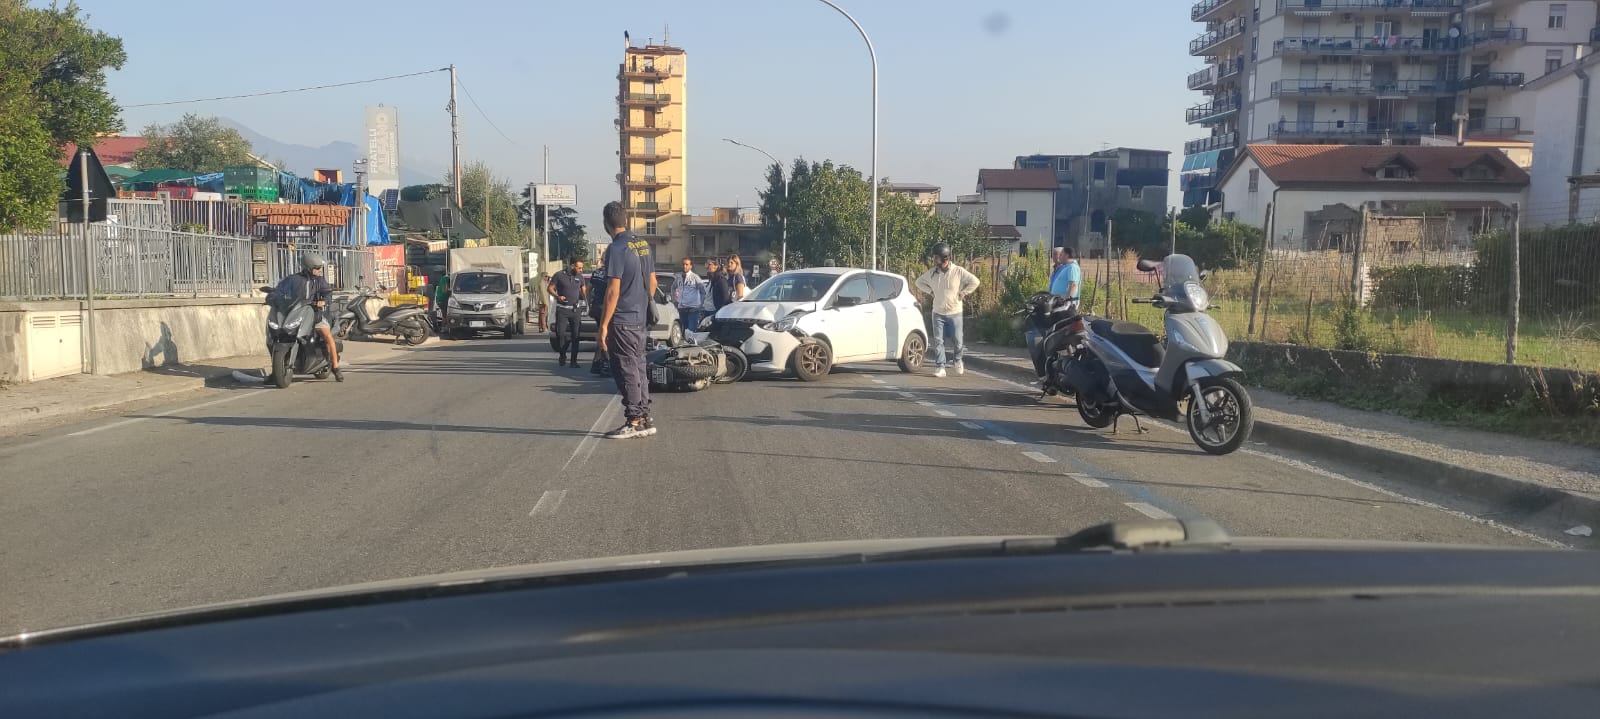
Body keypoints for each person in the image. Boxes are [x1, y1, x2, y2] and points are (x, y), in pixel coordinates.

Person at [597, 202, 656, 438]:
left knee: (626, 369)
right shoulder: (642, 244)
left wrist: (603, 326)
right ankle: (644, 417)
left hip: (622, 319)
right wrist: (640, 303)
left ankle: (633, 420)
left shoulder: (617, 248)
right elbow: (652, 282)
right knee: (639, 367)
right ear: (626, 220)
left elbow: (613, 290)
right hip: (639, 318)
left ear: (606, 224)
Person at [271, 252, 343, 382]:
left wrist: (324, 301)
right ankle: (275, 372)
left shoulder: (320, 281)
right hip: (296, 313)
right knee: (275, 336)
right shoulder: (293, 279)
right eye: (317, 268)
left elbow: (328, 294)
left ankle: (336, 368)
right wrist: (273, 297)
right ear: (308, 267)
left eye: (320, 268)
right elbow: (280, 290)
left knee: (327, 336)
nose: (320, 270)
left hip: (314, 314)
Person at [914, 243, 980, 379]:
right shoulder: (932, 273)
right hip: (937, 312)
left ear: (944, 258)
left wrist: (964, 292)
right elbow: (918, 282)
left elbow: (975, 281)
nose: (934, 260)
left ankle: (957, 360)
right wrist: (930, 291)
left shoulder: (958, 271)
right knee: (938, 341)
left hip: (955, 311)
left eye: (936, 257)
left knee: (958, 341)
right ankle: (940, 366)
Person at [548, 257, 587, 367]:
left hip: (575, 310)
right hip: (562, 309)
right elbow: (550, 288)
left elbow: (583, 288)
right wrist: (557, 296)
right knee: (560, 334)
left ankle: (574, 361)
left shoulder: (579, 277)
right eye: (579, 268)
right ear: (572, 266)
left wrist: (584, 297)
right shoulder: (559, 275)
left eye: (581, 268)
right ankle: (563, 354)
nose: (581, 270)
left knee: (576, 336)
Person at [674, 257, 705, 335]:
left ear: (690, 266)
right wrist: (675, 300)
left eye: (687, 264)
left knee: (691, 332)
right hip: (682, 308)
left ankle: (693, 346)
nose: (684, 266)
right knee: (683, 332)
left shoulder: (695, 277)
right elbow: (673, 288)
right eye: (683, 264)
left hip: (693, 309)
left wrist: (699, 305)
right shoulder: (678, 277)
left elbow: (703, 292)